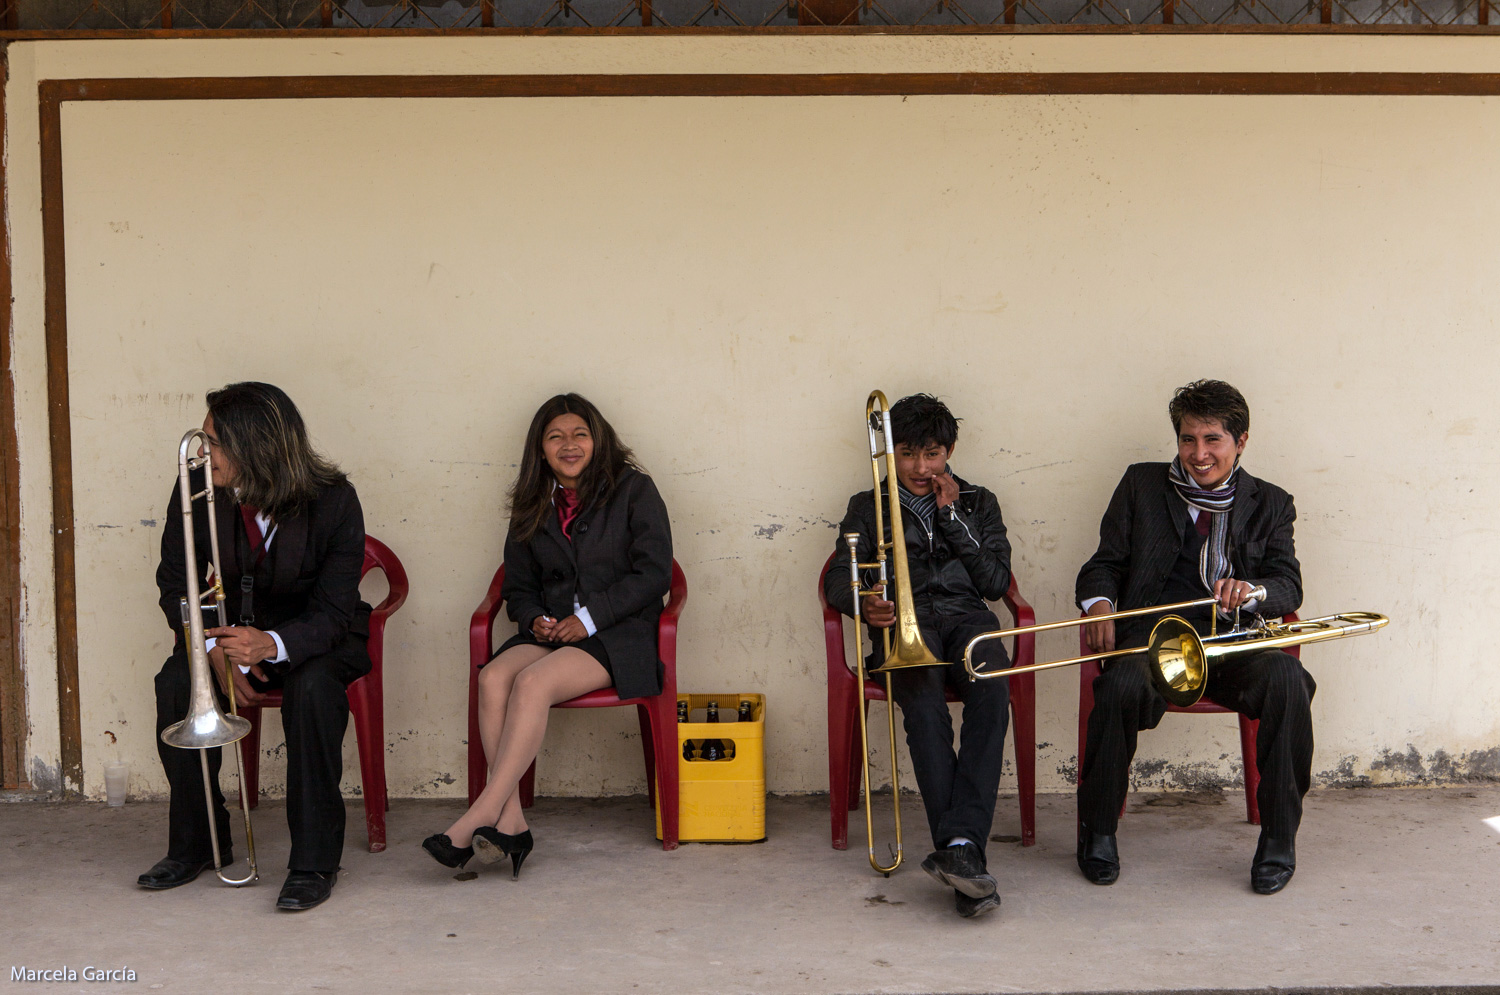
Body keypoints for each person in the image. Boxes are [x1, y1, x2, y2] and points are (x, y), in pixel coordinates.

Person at [139, 382, 370, 912]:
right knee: (176, 684)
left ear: (254, 445)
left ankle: (314, 861)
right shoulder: (195, 487)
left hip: (314, 638)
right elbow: (175, 582)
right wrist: (212, 652)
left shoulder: (335, 499)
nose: (204, 451)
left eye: (214, 440)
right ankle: (198, 842)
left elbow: (336, 610)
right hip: (229, 635)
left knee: (312, 693)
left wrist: (272, 644)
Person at [1075, 379, 1312, 895]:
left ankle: (1278, 840)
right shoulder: (1141, 485)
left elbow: (1288, 584)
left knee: (1290, 679)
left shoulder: (1271, 502)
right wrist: (1098, 604)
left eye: (1212, 440)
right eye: (1187, 440)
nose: (1198, 455)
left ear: (1241, 441)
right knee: (1117, 690)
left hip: (1232, 647)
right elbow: (1104, 564)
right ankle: (1096, 832)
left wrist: (1252, 591)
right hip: (1154, 644)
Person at [423, 393, 672, 877]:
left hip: (617, 635)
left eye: (579, 433)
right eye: (555, 436)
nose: (569, 444)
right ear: (540, 449)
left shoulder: (634, 490)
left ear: (598, 441)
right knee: (494, 677)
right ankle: (512, 823)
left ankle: (480, 813)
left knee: (532, 682)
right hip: (553, 633)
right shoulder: (531, 503)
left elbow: (654, 574)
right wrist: (535, 616)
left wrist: (590, 618)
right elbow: (518, 587)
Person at [823, 394, 1014, 919]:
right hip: (905, 628)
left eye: (931, 455)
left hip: (968, 619)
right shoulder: (867, 504)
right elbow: (841, 574)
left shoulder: (979, 501)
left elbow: (996, 583)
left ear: (949, 451)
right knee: (925, 710)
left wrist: (953, 517)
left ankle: (959, 848)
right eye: (906, 455)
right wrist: (863, 603)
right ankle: (965, 855)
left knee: (993, 694)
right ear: (891, 454)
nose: (919, 467)